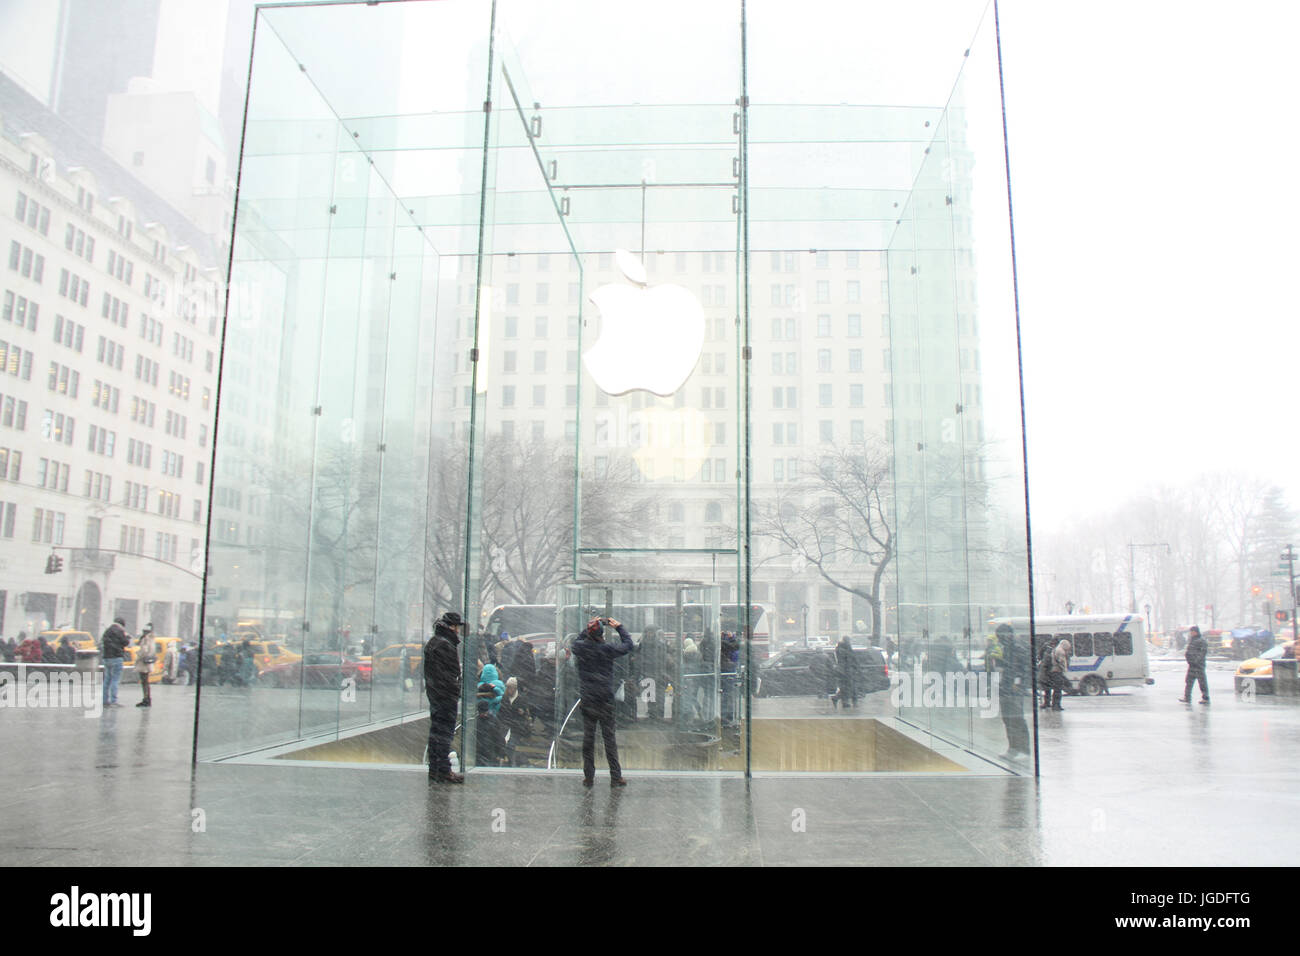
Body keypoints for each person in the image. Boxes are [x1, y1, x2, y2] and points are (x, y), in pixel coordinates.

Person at [571, 616, 635, 787]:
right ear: (601, 634)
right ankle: (615, 776)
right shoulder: (606, 649)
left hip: (588, 699)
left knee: (588, 739)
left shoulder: (581, 648)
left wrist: (589, 626)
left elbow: (576, 641)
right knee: (609, 740)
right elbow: (629, 645)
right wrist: (619, 627)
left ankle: (589, 776)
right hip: (605, 699)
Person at [424, 611, 465, 783]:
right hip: (444, 698)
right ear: (453, 627)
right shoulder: (445, 645)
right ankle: (443, 770)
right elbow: (448, 675)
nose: (458, 631)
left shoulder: (435, 642)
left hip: (437, 696)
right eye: (457, 627)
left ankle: (436, 769)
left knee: (437, 733)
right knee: (444, 735)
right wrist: (454, 691)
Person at [990, 623, 1030, 759]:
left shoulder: (1017, 648)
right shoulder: (1007, 648)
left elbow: (1024, 669)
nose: (999, 639)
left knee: (1016, 719)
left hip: (1013, 689)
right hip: (1007, 688)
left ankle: (1022, 749)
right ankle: (1014, 748)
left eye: (1000, 636)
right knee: (1008, 719)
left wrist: (1017, 684)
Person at [500, 676, 531, 766]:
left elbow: (527, 714)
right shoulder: (504, 698)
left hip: (517, 727)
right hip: (506, 725)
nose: (508, 689)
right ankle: (511, 762)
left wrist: (523, 713)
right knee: (503, 744)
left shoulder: (522, 699)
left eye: (510, 687)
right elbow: (501, 712)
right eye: (507, 687)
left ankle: (513, 763)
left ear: (515, 688)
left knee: (511, 745)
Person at [101, 617, 130, 707]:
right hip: (117, 657)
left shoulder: (107, 631)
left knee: (107, 679)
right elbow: (125, 642)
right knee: (115, 679)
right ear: (122, 625)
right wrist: (126, 636)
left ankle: (105, 700)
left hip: (107, 658)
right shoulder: (120, 631)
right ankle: (114, 701)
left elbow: (104, 642)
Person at [1180, 625, 1210, 704]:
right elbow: (1189, 651)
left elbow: (1202, 653)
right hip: (1192, 665)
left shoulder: (1201, 641)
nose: (1191, 633)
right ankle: (1187, 697)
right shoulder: (1192, 640)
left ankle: (1205, 698)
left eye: (1192, 632)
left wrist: (1196, 661)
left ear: (1195, 632)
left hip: (1198, 665)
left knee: (1202, 682)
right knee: (1188, 682)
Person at [833, 636, 859, 709]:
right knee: (849, 687)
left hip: (843, 671)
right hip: (847, 671)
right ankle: (840, 699)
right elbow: (851, 659)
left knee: (846, 687)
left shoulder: (840, 648)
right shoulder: (846, 649)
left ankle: (844, 701)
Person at [134, 625, 157, 707]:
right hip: (148, 662)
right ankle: (147, 699)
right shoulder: (152, 638)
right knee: (146, 681)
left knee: (144, 682)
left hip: (143, 662)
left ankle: (146, 699)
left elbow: (144, 650)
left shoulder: (146, 639)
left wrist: (138, 654)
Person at [1047, 638, 1071, 711]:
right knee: (1058, 689)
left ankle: (1055, 704)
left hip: (1054, 671)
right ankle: (1056, 705)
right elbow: (1062, 661)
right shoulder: (1061, 651)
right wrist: (1065, 669)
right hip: (1057, 671)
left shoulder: (1056, 649)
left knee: (1056, 689)